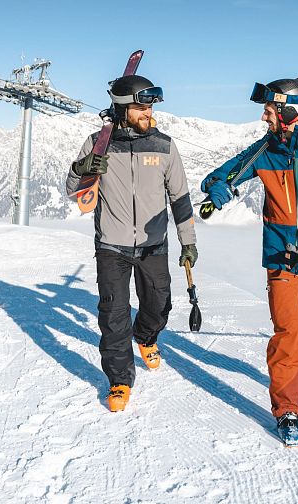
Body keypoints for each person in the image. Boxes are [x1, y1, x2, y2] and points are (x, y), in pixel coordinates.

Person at [200, 77, 298, 446]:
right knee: (290, 334)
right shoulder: (265, 151)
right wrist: (218, 189)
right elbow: (222, 175)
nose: (263, 118)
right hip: (280, 258)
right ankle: (287, 408)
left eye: (269, 111)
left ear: (289, 112)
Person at [65, 74, 198, 412]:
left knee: (158, 306)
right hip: (111, 245)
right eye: (142, 106)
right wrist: (82, 168)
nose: (148, 113)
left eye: (150, 106)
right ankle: (119, 380)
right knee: (113, 315)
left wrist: (187, 242)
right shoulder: (98, 143)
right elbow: (72, 189)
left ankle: (147, 337)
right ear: (124, 108)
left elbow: (180, 198)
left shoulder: (164, 145)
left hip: (154, 244)